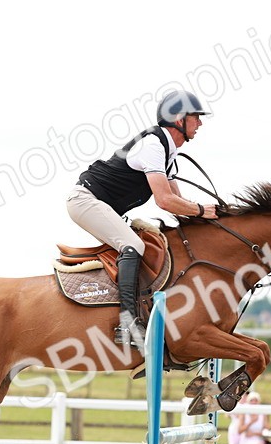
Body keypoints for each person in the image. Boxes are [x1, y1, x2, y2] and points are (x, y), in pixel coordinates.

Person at [66, 90, 219, 351]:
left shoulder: (168, 153)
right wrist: (202, 211)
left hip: (100, 205)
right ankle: (126, 324)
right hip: (85, 201)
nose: (200, 123)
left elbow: (179, 207)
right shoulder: (153, 146)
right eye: (196, 117)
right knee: (134, 246)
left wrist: (212, 220)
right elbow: (164, 201)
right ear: (179, 119)